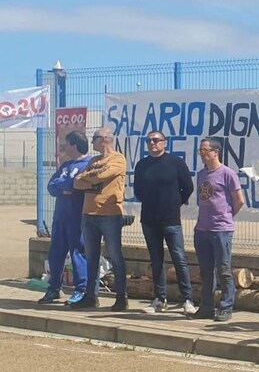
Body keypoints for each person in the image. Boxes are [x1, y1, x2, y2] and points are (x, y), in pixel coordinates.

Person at [133, 131, 197, 315]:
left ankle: (187, 299)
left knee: (179, 258)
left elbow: (188, 187)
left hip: (171, 220)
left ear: (164, 143)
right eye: (149, 141)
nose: (152, 143)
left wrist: (174, 202)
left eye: (156, 140)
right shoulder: (142, 165)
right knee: (156, 261)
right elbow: (138, 190)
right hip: (149, 220)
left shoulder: (176, 163)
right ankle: (160, 298)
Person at [71, 127, 128, 311]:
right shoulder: (94, 160)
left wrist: (88, 177)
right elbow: (76, 182)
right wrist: (90, 177)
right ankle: (90, 296)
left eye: (94, 138)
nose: (92, 142)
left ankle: (121, 297)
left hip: (109, 215)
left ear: (104, 139)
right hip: (88, 215)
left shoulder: (118, 159)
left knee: (116, 256)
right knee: (91, 258)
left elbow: (101, 176)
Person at [190, 137, 244, 322]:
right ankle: (206, 307)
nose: (202, 154)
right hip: (202, 229)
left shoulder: (228, 173)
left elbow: (239, 200)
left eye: (205, 150)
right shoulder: (201, 175)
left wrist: (227, 217)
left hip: (221, 230)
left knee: (224, 270)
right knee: (206, 271)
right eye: (200, 151)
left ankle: (226, 307)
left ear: (216, 152)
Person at [38, 131, 91, 305]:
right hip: (60, 217)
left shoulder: (89, 164)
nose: (64, 148)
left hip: (77, 217)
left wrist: (68, 186)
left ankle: (81, 290)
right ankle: (54, 287)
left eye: (66, 144)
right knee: (55, 253)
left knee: (77, 253)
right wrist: (65, 187)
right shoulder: (66, 165)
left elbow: (77, 184)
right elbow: (52, 186)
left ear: (74, 145)